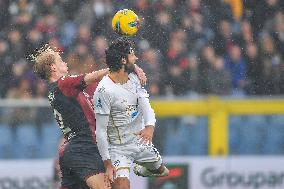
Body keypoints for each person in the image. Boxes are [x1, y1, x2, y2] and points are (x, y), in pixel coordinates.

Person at [31, 44, 146, 189]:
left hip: (73, 149)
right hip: (83, 147)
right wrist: (124, 67)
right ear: (53, 67)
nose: (65, 63)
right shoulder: (63, 84)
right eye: (60, 61)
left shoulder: (59, 91)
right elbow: (94, 76)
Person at [93, 37, 169, 189]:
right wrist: (107, 163)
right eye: (132, 55)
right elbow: (100, 131)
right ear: (123, 60)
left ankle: (144, 169)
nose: (136, 58)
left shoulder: (134, 78)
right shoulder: (104, 91)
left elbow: (146, 104)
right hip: (118, 148)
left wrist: (149, 127)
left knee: (162, 170)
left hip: (140, 141)